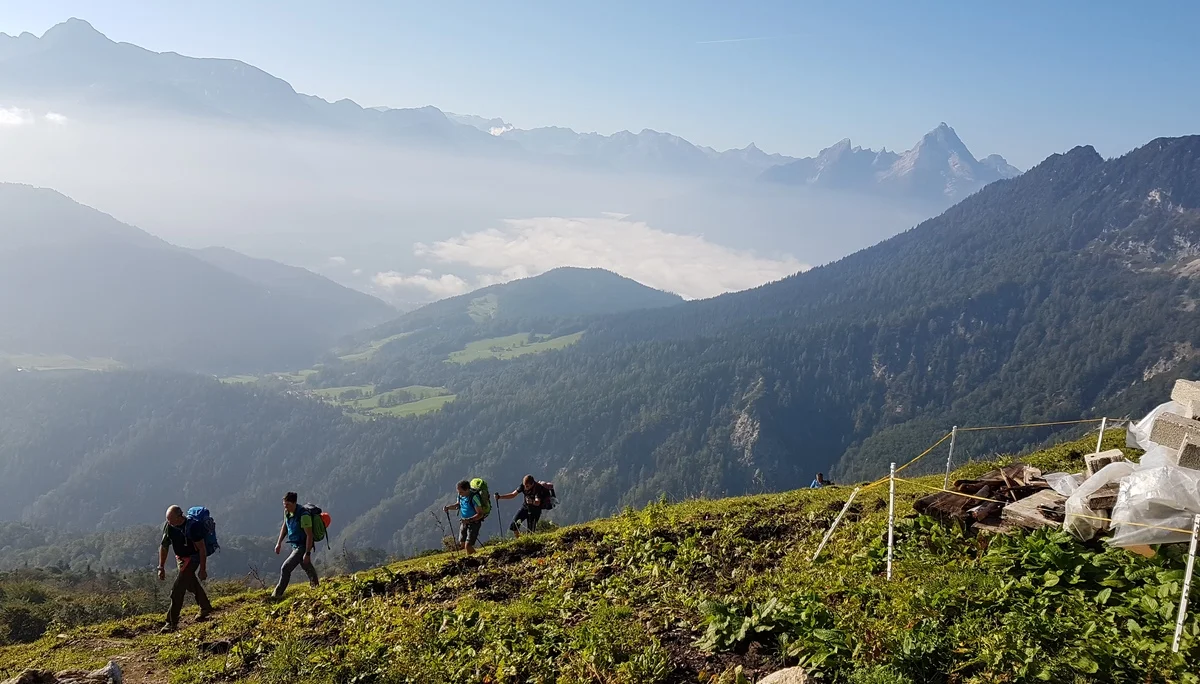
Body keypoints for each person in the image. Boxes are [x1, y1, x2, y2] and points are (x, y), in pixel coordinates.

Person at [158, 505, 214, 632]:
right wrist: (161, 566)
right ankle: (205, 606)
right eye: (168, 520)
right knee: (189, 583)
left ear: (180, 516)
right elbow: (164, 546)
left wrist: (203, 569)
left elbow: (202, 549)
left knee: (178, 589)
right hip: (181, 558)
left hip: (193, 557)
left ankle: (171, 623)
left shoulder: (193, 527)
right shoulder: (169, 527)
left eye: (171, 519)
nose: (169, 522)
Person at [272, 491, 319, 598]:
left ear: (294, 503)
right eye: (284, 505)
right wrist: (278, 543)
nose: (286, 507)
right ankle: (316, 586)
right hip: (295, 545)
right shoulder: (287, 512)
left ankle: (276, 595)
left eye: (288, 505)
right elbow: (285, 527)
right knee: (306, 565)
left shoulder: (304, 516)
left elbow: (309, 536)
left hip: (303, 545)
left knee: (286, 568)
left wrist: (307, 553)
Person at [443, 480, 485, 554]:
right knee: (462, 544)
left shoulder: (474, 497)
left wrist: (469, 520)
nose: (459, 494)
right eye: (458, 492)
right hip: (464, 522)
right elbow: (458, 505)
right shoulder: (461, 495)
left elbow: (480, 514)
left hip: (474, 522)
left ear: (467, 490)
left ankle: (477, 559)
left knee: (468, 546)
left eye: (461, 492)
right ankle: (470, 558)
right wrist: (448, 507)